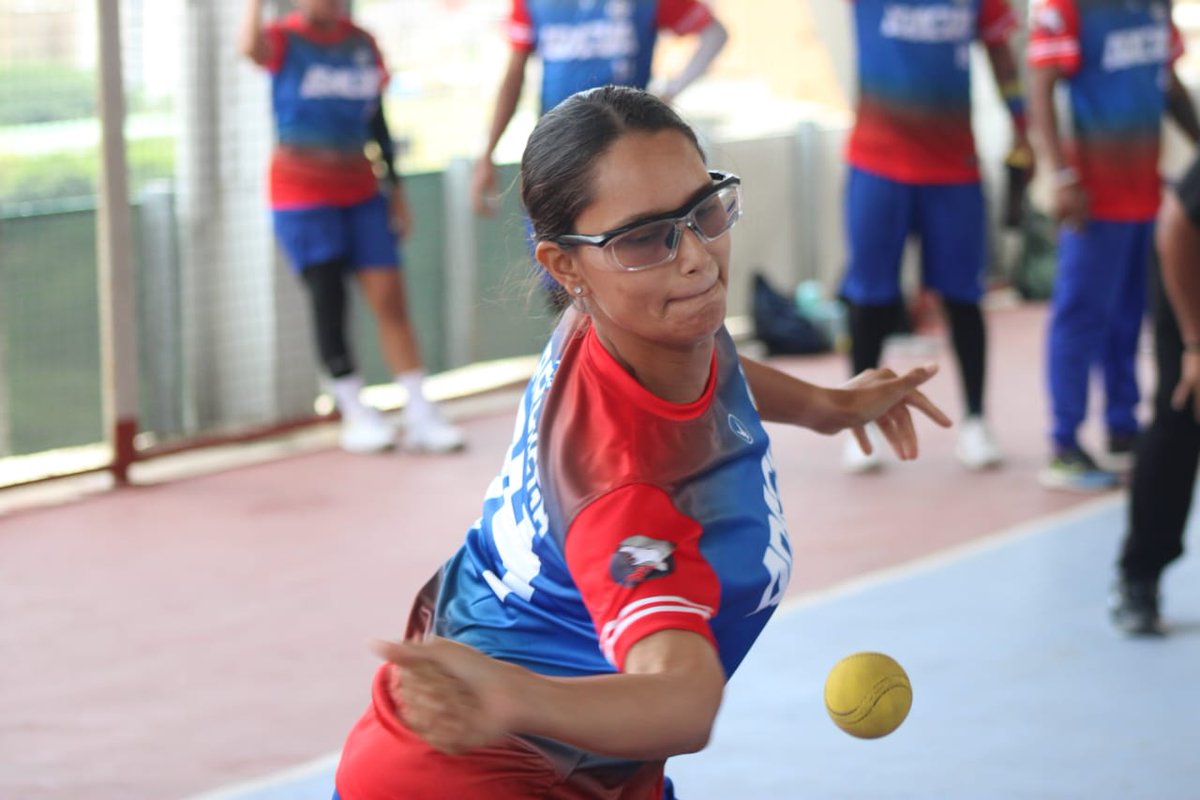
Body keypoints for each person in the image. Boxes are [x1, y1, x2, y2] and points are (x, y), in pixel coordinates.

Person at [331, 86, 952, 800]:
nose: (695, 256)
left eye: (703, 210)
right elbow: (683, 701)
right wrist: (515, 699)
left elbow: (714, 368)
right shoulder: (628, 487)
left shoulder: (640, 319)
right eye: (645, 235)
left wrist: (827, 406)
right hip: (479, 773)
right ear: (566, 267)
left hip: (575, 761)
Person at [238, 0, 464, 454]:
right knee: (329, 296)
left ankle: (419, 410)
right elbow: (250, 49)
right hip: (301, 193)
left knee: (389, 296)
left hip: (361, 189)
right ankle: (354, 411)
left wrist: (394, 186)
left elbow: (377, 119)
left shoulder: (362, 43)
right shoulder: (284, 39)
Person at [838, 0, 1030, 474]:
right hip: (878, 164)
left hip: (953, 168)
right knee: (871, 298)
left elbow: (1001, 52)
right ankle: (857, 422)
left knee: (964, 297)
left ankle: (976, 422)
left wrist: (1021, 125)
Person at [1028, 0, 1200, 491]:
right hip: (1093, 194)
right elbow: (1041, 85)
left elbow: (1166, 84)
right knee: (1081, 315)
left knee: (1130, 314)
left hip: (1146, 189)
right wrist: (1060, 175)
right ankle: (1064, 443)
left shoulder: (1154, 6)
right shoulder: (1066, 7)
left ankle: (1122, 427)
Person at [469, 0, 728, 310]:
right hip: (559, 163)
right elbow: (514, 73)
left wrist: (669, 90)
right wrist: (487, 153)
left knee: (651, 273)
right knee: (567, 291)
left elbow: (715, 33)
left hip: (631, 167)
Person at [1110, 154, 1200, 635]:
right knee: (1181, 413)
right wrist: (1194, 345)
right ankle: (1139, 576)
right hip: (1189, 274)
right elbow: (1176, 230)